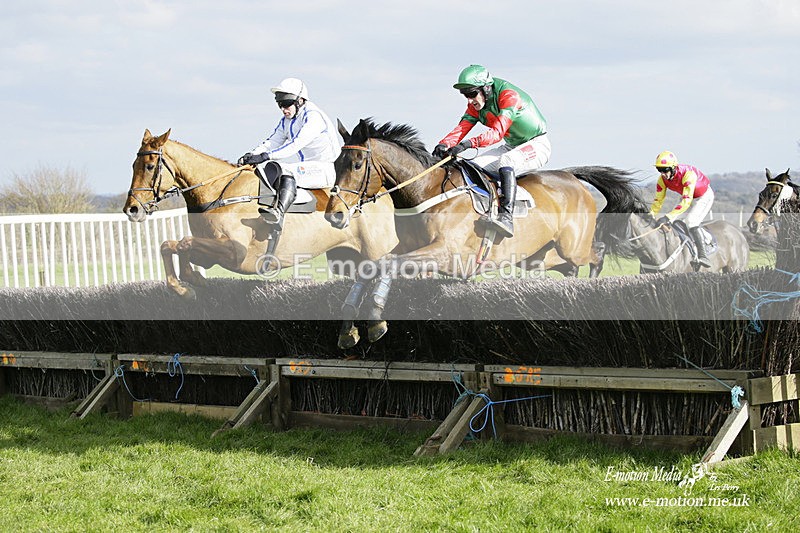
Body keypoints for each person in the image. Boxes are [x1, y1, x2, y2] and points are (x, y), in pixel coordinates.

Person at [431, 64, 550, 238]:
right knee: (472, 166)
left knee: (507, 162)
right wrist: (444, 145)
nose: (469, 100)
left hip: (537, 144)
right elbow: (463, 127)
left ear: (486, 89)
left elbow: (496, 133)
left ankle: (506, 216)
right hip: (511, 145)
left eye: (472, 94)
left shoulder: (509, 96)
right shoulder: (476, 105)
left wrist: (467, 144)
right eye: (465, 95)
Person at [238, 77, 340, 229]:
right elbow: (273, 141)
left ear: (300, 101)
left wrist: (265, 156)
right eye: (280, 105)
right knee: (269, 169)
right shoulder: (287, 119)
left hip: (327, 169)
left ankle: (278, 213)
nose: (283, 109)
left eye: (286, 104)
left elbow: (295, 145)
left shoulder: (313, 117)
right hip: (309, 167)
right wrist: (251, 154)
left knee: (284, 169)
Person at [649, 150, 714, 268]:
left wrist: (667, 216)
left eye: (665, 170)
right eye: (659, 170)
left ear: (673, 168)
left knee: (691, 222)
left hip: (703, 196)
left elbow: (686, 202)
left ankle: (703, 254)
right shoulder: (662, 180)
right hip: (687, 196)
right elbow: (658, 200)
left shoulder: (688, 174)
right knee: (671, 223)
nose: (663, 173)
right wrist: (651, 214)